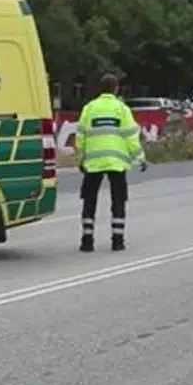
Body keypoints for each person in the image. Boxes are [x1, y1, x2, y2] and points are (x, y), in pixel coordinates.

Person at [74, 73, 147, 252]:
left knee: (89, 200)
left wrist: (81, 158)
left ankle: (87, 240)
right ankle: (117, 240)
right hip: (117, 163)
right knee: (118, 200)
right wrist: (140, 158)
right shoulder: (121, 109)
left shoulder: (89, 108)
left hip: (93, 163)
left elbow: (80, 136)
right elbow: (131, 136)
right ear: (116, 89)